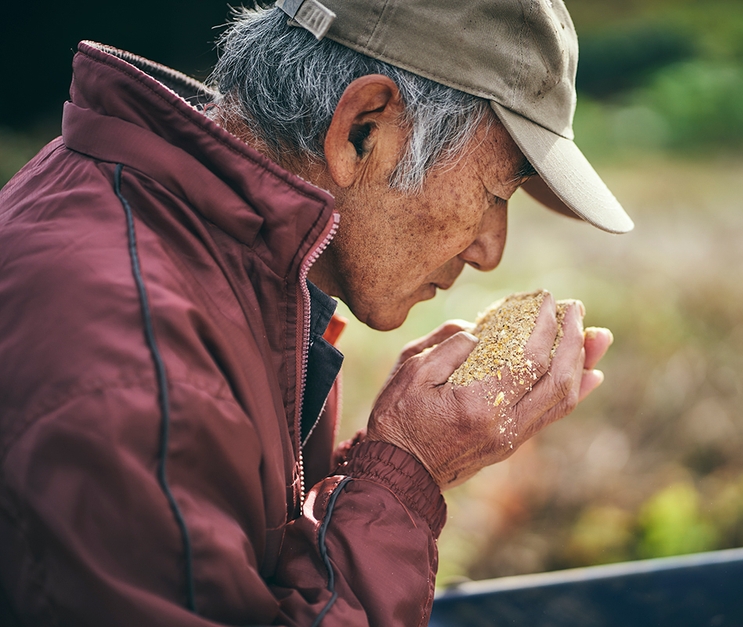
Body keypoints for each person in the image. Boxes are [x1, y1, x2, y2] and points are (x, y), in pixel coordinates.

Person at [0, 0, 632, 625]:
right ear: (363, 129)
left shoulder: (213, 243)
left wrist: (386, 465)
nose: (490, 249)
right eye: (495, 192)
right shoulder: (141, 370)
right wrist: (402, 478)